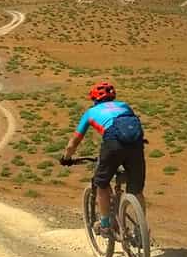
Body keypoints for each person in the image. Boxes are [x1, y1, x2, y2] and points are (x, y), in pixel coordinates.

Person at [59, 81, 146, 232]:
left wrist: (66, 157)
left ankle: (105, 224)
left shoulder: (90, 113)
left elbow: (74, 142)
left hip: (112, 144)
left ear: (94, 99)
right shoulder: (124, 105)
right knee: (136, 190)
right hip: (136, 144)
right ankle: (141, 228)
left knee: (102, 184)